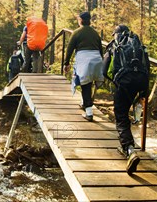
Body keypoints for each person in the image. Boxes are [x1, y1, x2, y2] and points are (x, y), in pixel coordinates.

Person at [101, 24, 149, 175]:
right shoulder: (138, 44)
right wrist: (144, 90)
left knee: (121, 116)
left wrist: (114, 80)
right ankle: (127, 145)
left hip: (123, 82)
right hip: (140, 82)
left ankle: (129, 150)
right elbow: (147, 66)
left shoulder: (115, 45)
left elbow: (103, 70)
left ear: (116, 34)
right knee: (126, 112)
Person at [63, 11, 103, 121]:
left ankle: (89, 113)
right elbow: (100, 48)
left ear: (80, 20)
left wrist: (66, 63)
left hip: (85, 60)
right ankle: (85, 103)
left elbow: (70, 48)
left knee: (85, 84)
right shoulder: (95, 33)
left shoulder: (77, 32)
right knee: (88, 82)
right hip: (97, 60)